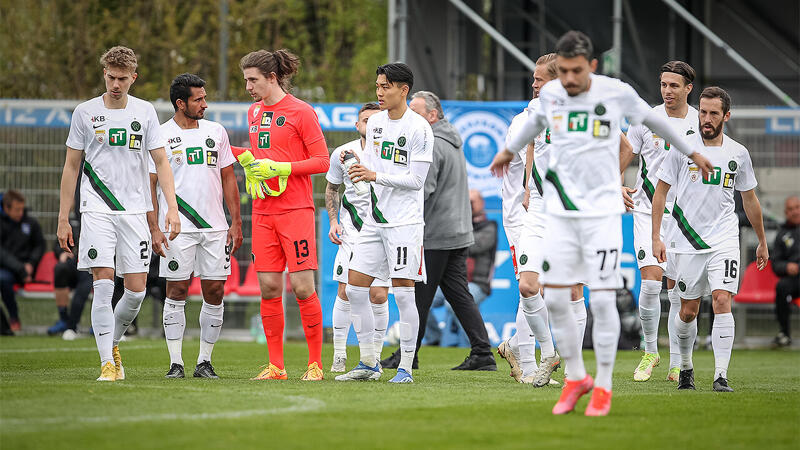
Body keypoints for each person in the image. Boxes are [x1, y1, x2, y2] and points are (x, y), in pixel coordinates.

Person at [490, 30, 713, 416]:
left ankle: (603, 386)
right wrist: (507, 153)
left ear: (590, 66)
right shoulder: (552, 98)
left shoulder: (615, 92)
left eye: (576, 71)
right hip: (551, 211)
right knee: (545, 291)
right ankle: (573, 374)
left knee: (603, 300)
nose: (570, 80)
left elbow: (653, 124)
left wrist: (694, 150)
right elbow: (531, 127)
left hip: (597, 215)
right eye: (564, 72)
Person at [58, 46, 180, 381]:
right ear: (104, 75)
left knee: (137, 290)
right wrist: (62, 217)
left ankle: (111, 343)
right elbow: (71, 167)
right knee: (103, 284)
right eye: (111, 77)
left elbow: (161, 163)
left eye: (122, 78)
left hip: (134, 211)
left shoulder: (144, 112)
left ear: (133, 78)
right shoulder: (84, 112)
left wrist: (172, 206)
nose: (116, 84)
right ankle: (106, 364)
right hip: (95, 208)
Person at [653, 86, 768, 392]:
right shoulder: (682, 148)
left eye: (713, 113)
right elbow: (660, 193)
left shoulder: (738, 153)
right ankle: (686, 367)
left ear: (726, 116)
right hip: (687, 240)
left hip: (725, 238)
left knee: (721, 300)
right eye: (702, 112)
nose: (706, 118)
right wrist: (657, 237)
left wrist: (762, 240)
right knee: (688, 311)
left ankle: (720, 375)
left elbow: (750, 199)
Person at [229, 49, 330, 381]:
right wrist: (236, 153)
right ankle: (276, 366)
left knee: (302, 287)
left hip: (295, 211)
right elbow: (261, 154)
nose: (248, 87)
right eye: (246, 80)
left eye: (253, 80)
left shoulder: (302, 112)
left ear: (272, 78)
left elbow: (322, 161)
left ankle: (315, 364)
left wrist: (282, 167)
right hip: (262, 211)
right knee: (269, 287)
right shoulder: (254, 112)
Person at [381, 90, 496, 372]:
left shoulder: (431, 144)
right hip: (456, 231)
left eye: (416, 111)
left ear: (432, 116)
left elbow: (422, 190)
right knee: (457, 294)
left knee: (418, 296)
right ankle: (482, 352)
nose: (410, 117)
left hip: (436, 232)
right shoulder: (452, 141)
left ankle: (409, 355)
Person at [335, 63, 433, 383]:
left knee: (403, 295)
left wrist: (374, 175)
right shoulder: (375, 122)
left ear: (403, 90)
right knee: (354, 288)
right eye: (377, 85)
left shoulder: (419, 128)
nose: (379, 92)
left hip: (404, 223)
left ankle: (405, 366)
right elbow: (373, 168)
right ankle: (368, 362)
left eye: (385, 87)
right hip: (373, 220)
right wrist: (358, 168)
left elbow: (416, 180)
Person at [147, 73, 243, 379]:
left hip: (215, 228)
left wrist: (236, 221)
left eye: (204, 97)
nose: (205, 104)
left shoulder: (216, 131)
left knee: (214, 290)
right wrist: (154, 227)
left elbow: (229, 177)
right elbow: (150, 185)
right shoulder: (159, 135)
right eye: (198, 99)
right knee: (176, 289)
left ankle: (205, 361)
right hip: (177, 227)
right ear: (180, 103)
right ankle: (176, 363)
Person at [620, 61, 699, 382]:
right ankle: (650, 350)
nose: (667, 91)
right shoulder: (645, 119)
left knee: (679, 292)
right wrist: (616, 183)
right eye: (663, 84)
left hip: (685, 218)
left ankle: (679, 361)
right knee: (651, 281)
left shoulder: (700, 121)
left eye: (674, 86)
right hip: (645, 210)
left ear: (688, 89)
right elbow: (625, 153)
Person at [496, 53, 564, 387]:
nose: (533, 84)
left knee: (541, 288)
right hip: (521, 216)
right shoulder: (528, 118)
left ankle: (518, 349)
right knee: (531, 285)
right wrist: (526, 192)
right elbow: (526, 161)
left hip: (543, 211)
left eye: (538, 79)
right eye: (533, 78)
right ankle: (525, 362)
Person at [324, 102, 390, 373]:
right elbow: (331, 188)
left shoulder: (391, 154)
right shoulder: (343, 153)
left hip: (384, 231)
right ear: (357, 125)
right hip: (352, 233)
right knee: (345, 291)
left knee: (378, 295)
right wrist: (333, 221)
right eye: (365, 120)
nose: (369, 125)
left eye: (375, 121)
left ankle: (374, 357)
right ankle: (339, 354)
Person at [427, 190, 498, 348]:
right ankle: (434, 339)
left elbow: (475, 246)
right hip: (454, 281)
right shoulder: (460, 225)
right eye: (466, 202)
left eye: (472, 202)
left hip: (478, 284)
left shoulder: (489, 226)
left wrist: (455, 231)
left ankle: (476, 347)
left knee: (452, 304)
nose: (469, 206)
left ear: (482, 203)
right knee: (423, 301)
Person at [0, 189, 46, 333]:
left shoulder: (31, 223)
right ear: (6, 208)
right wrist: (20, 268)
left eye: (22, 208)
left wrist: (31, 264)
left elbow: (40, 245)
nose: (20, 212)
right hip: (8, 269)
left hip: (28, 271)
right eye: (16, 209)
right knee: (2, 278)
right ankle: (13, 317)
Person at [48, 210, 93, 340]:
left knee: (85, 286)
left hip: (92, 264)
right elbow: (58, 244)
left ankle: (74, 326)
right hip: (74, 263)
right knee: (60, 268)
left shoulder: (98, 217)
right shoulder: (70, 220)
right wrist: (62, 252)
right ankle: (64, 320)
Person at [772, 196, 800, 347]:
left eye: (797, 207)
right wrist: (786, 267)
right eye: (791, 209)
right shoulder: (782, 234)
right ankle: (784, 333)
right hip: (794, 280)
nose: (795, 212)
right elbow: (775, 264)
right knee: (781, 287)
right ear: (786, 213)